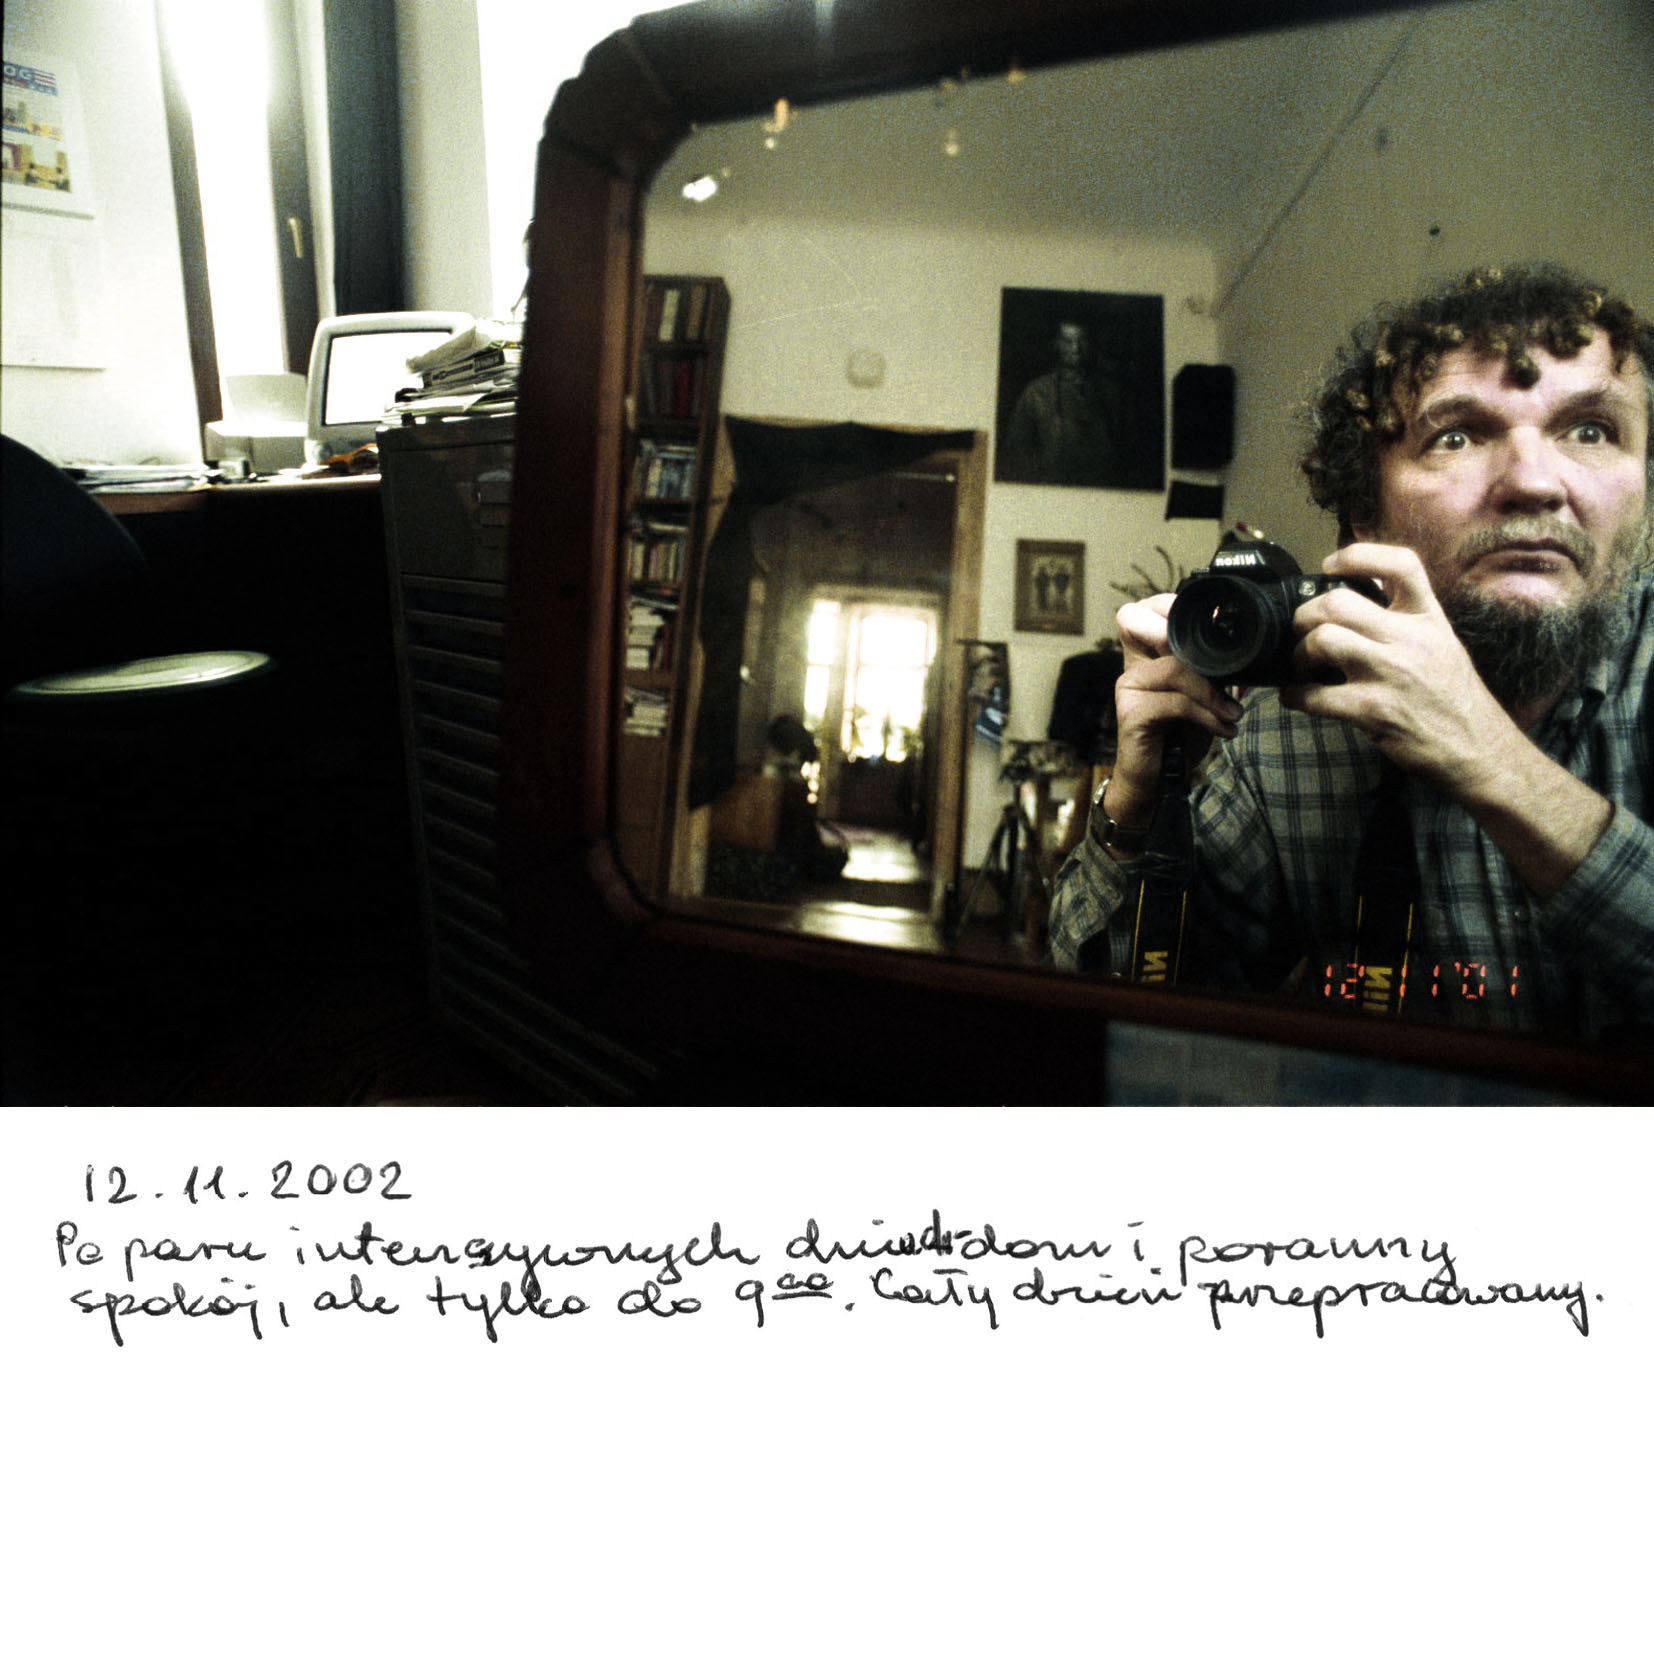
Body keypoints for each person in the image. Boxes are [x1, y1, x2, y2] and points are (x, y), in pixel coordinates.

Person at [1049, 264, 1652, 1042]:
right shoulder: (1287, 734)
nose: (1535, 483)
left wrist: (1489, 758)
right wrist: (1137, 807)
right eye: (1457, 435)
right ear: (1368, 518)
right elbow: (1119, 1016)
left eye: (1591, 430)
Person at [1000, 320, 1125, 486]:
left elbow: (1125, 448)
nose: (1075, 348)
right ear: (1057, 344)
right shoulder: (1037, 392)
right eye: (1068, 341)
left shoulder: (1110, 392)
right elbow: (1017, 449)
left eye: (1081, 340)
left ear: (1090, 344)